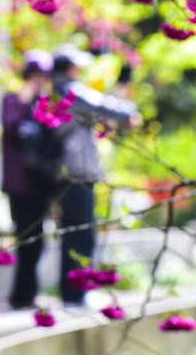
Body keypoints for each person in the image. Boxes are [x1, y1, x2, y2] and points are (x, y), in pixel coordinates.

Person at [52, 43, 140, 307]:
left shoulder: (58, 92)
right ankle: (76, 291)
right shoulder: (69, 90)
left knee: (74, 232)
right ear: (70, 67)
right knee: (82, 233)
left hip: (69, 172)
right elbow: (102, 105)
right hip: (76, 173)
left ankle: (73, 289)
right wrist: (129, 112)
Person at [0, 49, 57, 310]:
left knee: (39, 240)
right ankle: (21, 294)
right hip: (20, 185)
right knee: (26, 238)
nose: (39, 81)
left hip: (41, 183)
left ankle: (29, 291)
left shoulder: (44, 105)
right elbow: (11, 128)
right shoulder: (12, 102)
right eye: (35, 76)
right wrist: (24, 99)